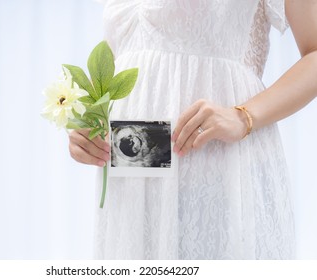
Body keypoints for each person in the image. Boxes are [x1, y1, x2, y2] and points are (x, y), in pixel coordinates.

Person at [68, 0, 317, 259]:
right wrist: (88, 129)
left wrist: (243, 117)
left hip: (218, 163)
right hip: (132, 175)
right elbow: (122, 66)